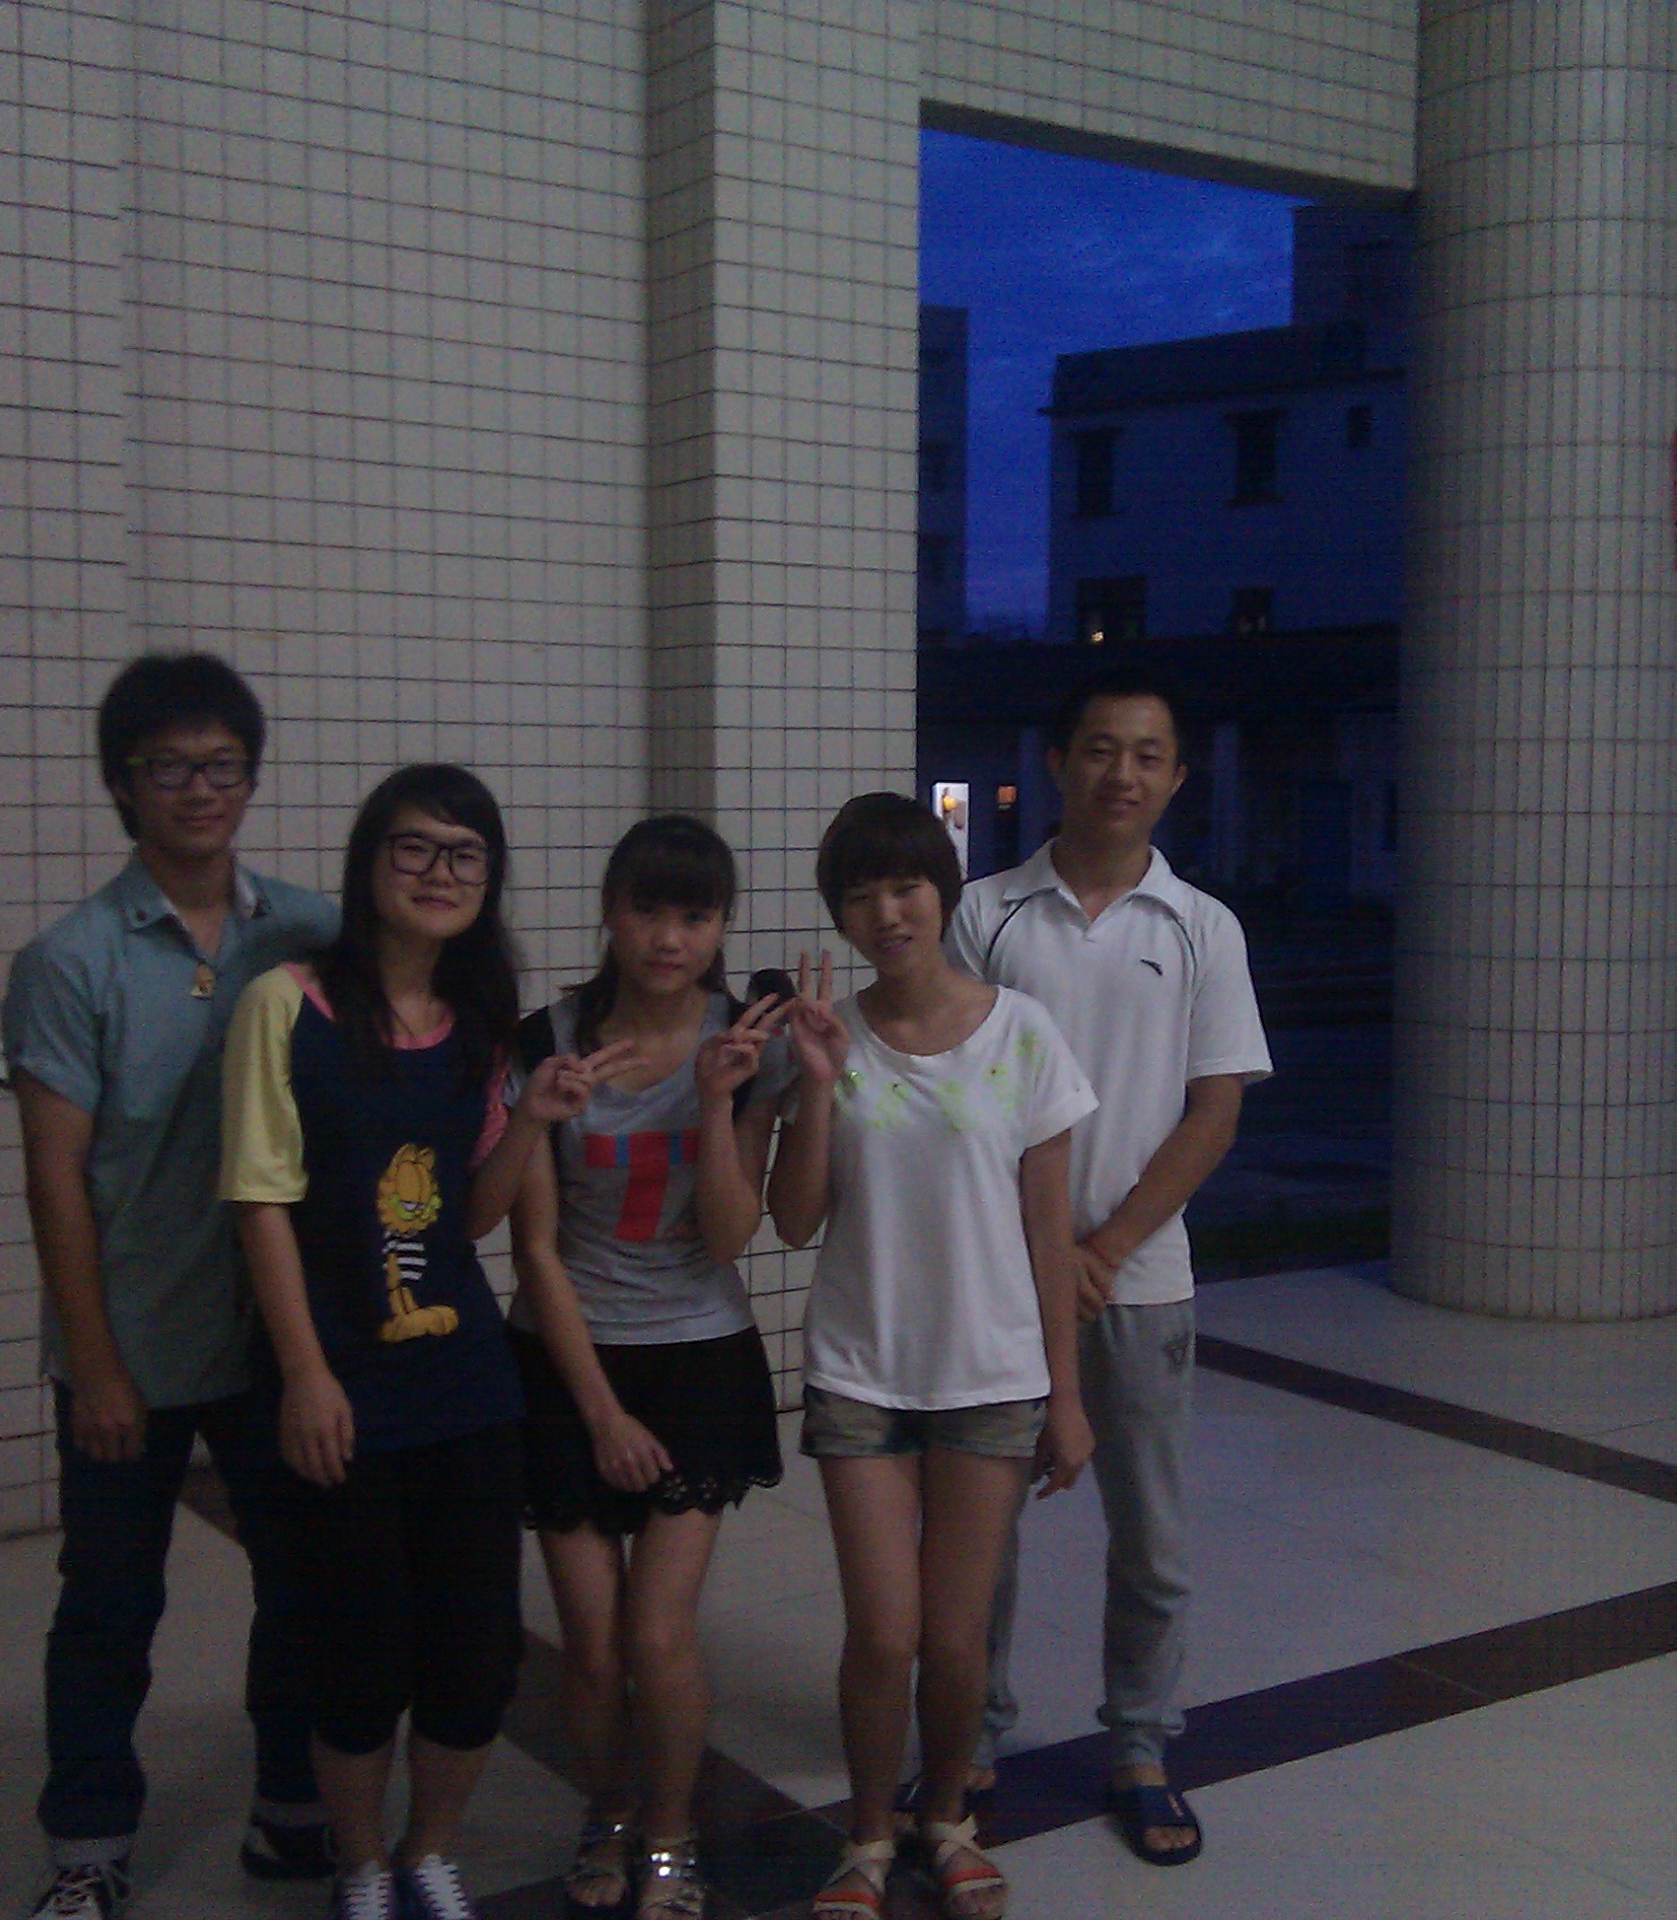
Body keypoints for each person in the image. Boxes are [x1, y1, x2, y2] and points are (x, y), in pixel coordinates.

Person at [218, 763, 615, 1920]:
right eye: (416, 848)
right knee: (358, 1653)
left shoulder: (479, 1025)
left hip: (463, 1384)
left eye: (465, 854)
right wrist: (304, 1373)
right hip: (335, 1381)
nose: (440, 872)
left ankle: (427, 1852)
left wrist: (530, 1120)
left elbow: (472, 1216)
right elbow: (259, 1203)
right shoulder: (285, 1005)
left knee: (476, 1649)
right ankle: (358, 1865)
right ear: (369, 863)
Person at [0, 652, 340, 1920]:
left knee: (299, 1583)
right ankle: (87, 1848)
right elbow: (55, 1179)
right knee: (108, 1604)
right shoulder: (70, 959)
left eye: (221, 765)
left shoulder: (307, 931)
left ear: (250, 778)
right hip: (129, 1341)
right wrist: (93, 1363)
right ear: (122, 786)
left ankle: (291, 1809)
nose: (200, 789)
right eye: (168, 768)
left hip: (269, 1334)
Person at [950, 668, 1271, 1868]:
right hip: (994, 1278)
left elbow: (1213, 1110)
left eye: (1145, 755)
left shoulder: (1202, 927)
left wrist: (1102, 1248)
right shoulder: (984, 914)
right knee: (980, 1529)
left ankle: (1140, 1745)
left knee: (1151, 1536)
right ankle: (969, 1737)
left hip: (1136, 1282)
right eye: (1098, 749)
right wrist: (1041, 1256)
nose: (1119, 774)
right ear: (1057, 761)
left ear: (1175, 777)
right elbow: (953, 1093)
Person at [767, 793, 1097, 1920]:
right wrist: (815, 1087)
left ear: (942, 891)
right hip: (861, 1371)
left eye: (904, 885)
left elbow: (1049, 1234)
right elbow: (793, 1220)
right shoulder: (830, 1039)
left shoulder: (1024, 1033)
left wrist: (1065, 1397)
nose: (887, 912)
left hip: (990, 1377)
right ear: (840, 915)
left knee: (955, 1643)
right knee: (883, 1633)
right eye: (859, 894)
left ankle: (946, 1819)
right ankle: (867, 1837)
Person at [505, 816, 795, 1920]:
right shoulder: (547, 1042)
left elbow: (727, 1237)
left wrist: (718, 1101)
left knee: (657, 1636)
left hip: (697, 1362)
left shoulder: (746, 1041)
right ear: (609, 914)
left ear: (719, 927)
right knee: (590, 1648)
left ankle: (670, 1841)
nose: (669, 938)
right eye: (648, 910)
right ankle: (610, 1813)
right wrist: (599, 1414)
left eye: (695, 915)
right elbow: (535, 1250)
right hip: (566, 1363)